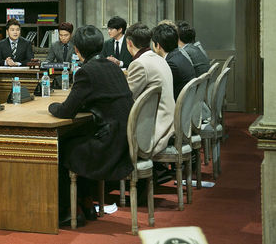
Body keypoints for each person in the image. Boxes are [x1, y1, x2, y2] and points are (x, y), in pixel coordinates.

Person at [48, 25, 133, 226]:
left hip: (109, 146)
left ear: (77, 49)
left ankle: (67, 211)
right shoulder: (112, 66)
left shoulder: (86, 72)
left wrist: (51, 106)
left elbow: (66, 111)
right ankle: (86, 204)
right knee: (75, 140)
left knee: (59, 146)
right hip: (125, 139)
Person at [125, 23, 175, 155]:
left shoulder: (139, 64)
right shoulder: (160, 59)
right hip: (169, 122)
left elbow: (127, 97)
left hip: (156, 130)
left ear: (129, 43)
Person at [151, 23, 195, 100]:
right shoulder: (179, 56)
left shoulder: (172, 65)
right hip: (189, 102)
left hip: (177, 104)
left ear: (157, 45)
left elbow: (159, 89)